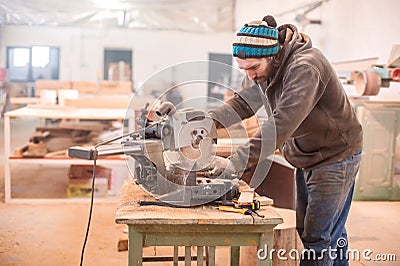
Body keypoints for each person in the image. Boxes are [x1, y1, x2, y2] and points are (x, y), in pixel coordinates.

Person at [207, 15, 362, 266]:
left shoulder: (305, 68)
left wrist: (235, 162)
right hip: (307, 155)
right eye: (243, 69)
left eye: (253, 68)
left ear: (271, 55)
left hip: (335, 156)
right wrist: (207, 123)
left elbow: (281, 124)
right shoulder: (270, 67)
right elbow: (245, 102)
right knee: (327, 231)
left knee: (317, 238)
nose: (250, 76)